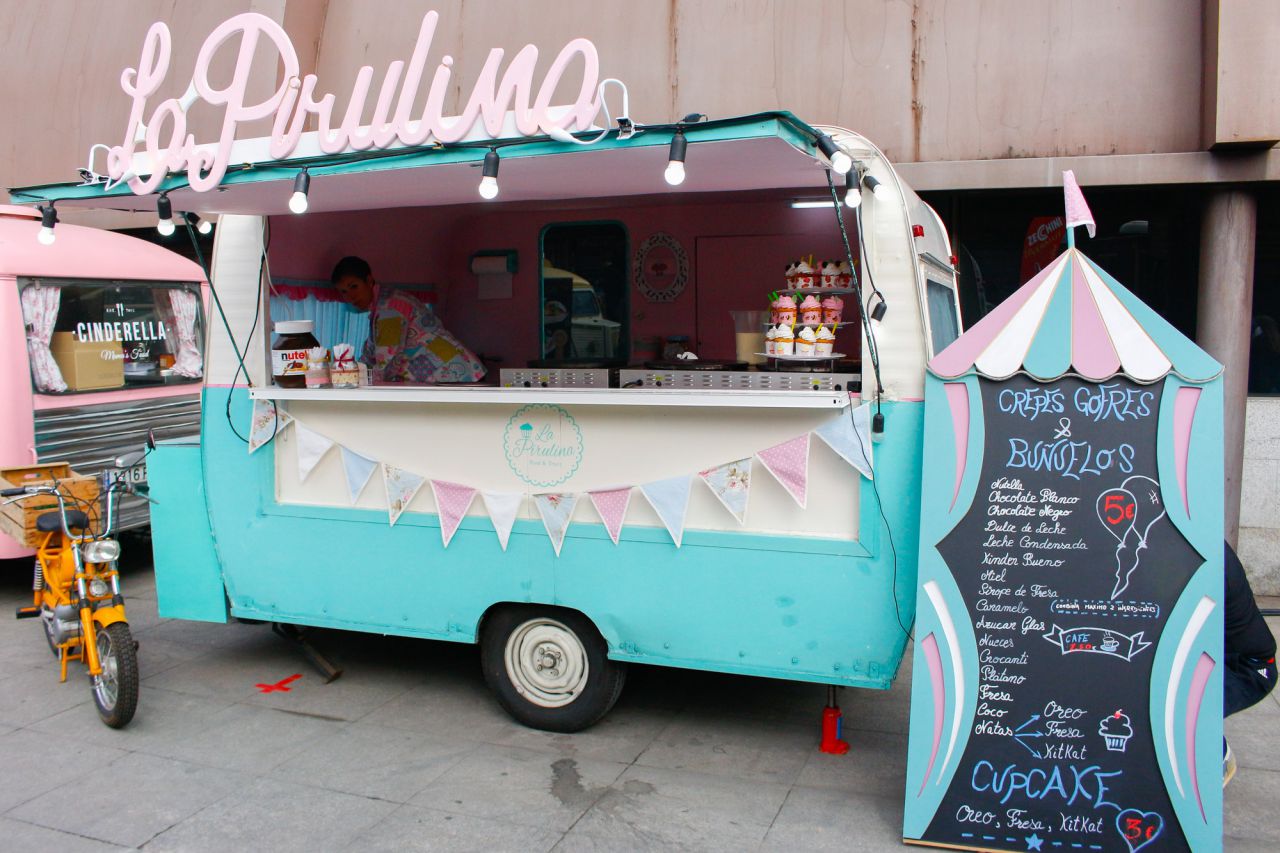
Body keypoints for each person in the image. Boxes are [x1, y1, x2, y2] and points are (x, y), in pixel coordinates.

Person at [331, 256, 485, 384]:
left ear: (369, 280)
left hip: (455, 375)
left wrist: (358, 381)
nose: (350, 296)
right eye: (344, 291)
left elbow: (386, 358)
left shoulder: (390, 309)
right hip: (452, 373)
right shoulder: (382, 306)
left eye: (354, 286)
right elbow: (371, 354)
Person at [1222, 542, 1277, 785]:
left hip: (1248, 668)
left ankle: (1215, 758)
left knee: (1169, 701)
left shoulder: (1203, 553)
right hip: (1225, 655)